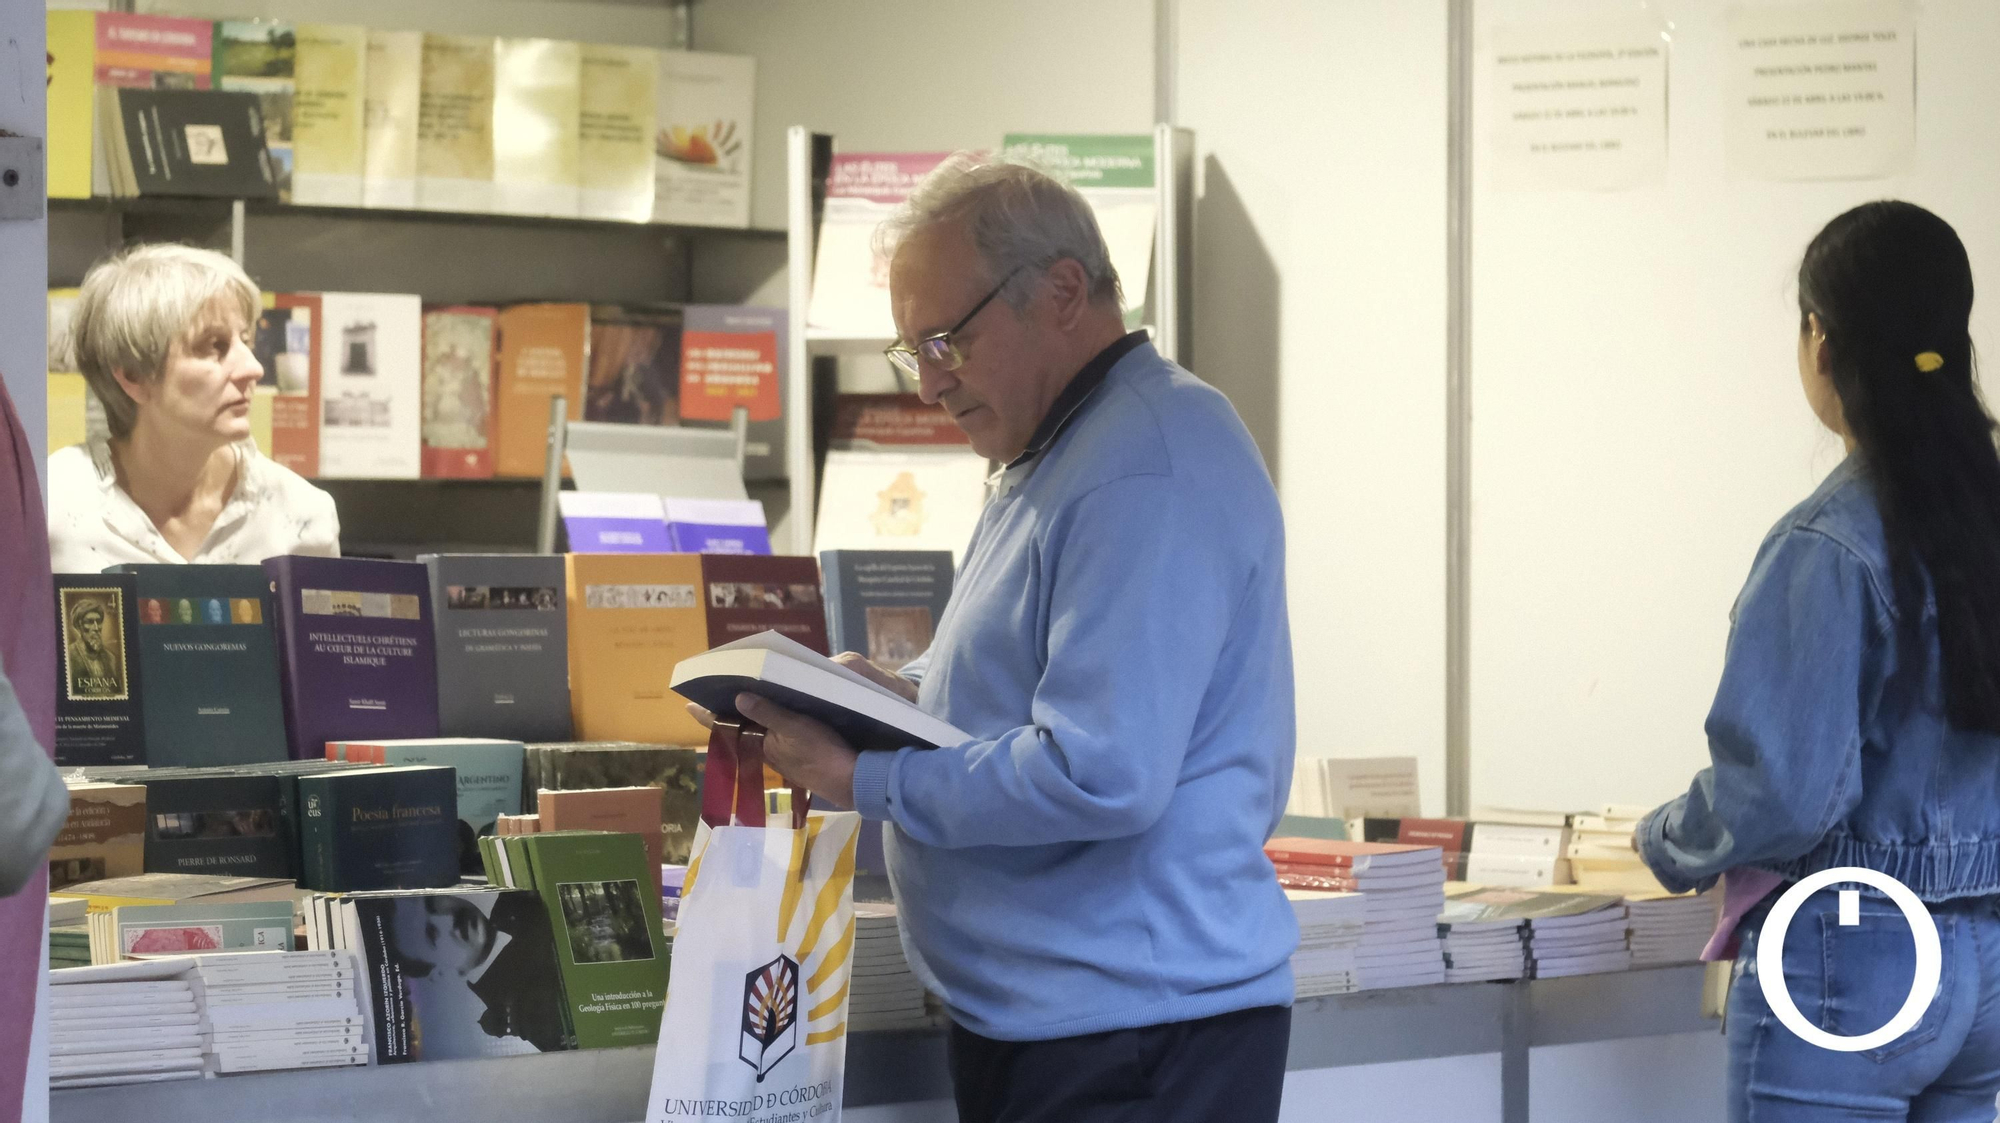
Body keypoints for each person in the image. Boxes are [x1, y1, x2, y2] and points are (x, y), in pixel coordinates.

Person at [694, 155, 1298, 1122]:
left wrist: (864, 779)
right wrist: (901, 693)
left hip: (1134, 1039)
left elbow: (1100, 773)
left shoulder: (1142, 464)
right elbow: (1034, 668)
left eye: (946, 342)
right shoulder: (1061, 446)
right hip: (1068, 1024)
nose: (930, 384)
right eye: (912, 351)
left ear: (1061, 291)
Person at [1637, 201, 2000, 1121]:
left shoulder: (1828, 545)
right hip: (1986, 966)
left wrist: (1667, 839)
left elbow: (1783, 793)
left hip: (1853, 959)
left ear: (1819, 339)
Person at [49, 243, 339, 572]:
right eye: (215, 346)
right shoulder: (52, 505)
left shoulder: (300, 515)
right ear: (134, 375)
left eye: (246, 341)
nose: (253, 368)